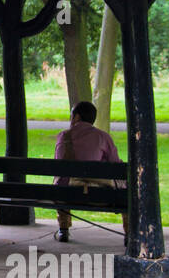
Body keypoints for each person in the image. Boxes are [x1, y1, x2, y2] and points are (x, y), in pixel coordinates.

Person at [52, 100, 124, 242]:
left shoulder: (63, 136)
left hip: (65, 195)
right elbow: (116, 164)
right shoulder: (103, 137)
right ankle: (129, 233)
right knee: (124, 187)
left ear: (77, 117)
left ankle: (63, 228)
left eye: (71, 116)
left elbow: (57, 165)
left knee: (61, 181)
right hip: (98, 196)